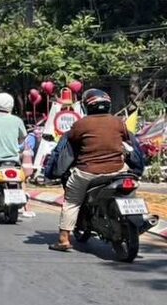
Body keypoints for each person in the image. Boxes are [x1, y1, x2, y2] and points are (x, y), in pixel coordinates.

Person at [49, 88, 130, 252]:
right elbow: (127, 139)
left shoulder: (80, 124)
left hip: (87, 172)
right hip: (118, 170)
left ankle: (64, 239)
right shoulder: (118, 122)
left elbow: (70, 142)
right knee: (130, 189)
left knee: (72, 201)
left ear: (87, 107)